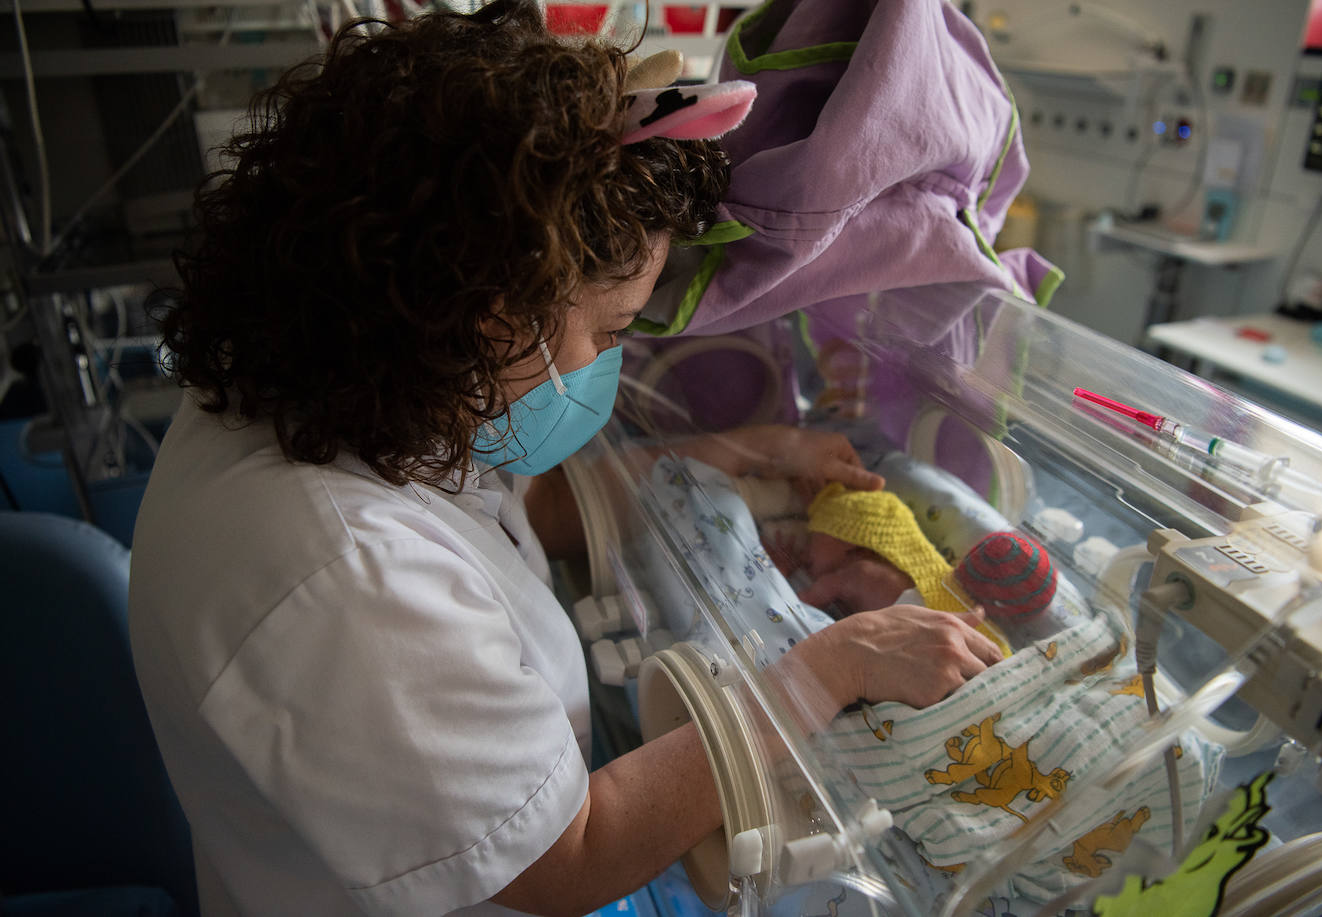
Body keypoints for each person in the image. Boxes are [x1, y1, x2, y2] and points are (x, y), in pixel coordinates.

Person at [128, 4, 1005, 916]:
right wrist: (831, 668)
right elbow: (563, 855)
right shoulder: (342, 574)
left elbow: (522, 507)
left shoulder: (332, 383)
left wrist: (747, 452)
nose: (612, 360)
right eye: (611, 330)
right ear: (492, 318)